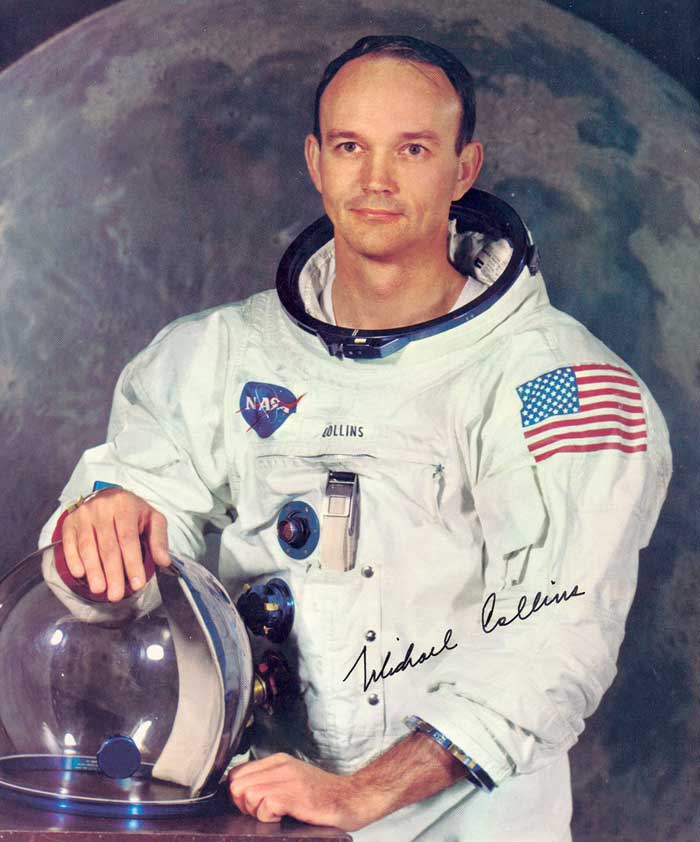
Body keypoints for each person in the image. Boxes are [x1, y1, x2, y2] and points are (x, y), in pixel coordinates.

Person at [40, 35, 671, 841]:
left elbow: (555, 641)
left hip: (462, 820)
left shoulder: (557, 384)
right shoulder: (218, 358)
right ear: (315, 161)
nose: (376, 179)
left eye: (413, 149)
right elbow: (121, 571)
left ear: (464, 168)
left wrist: (361, 793)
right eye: (350, 146)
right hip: (261, 804)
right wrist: (104, 530)